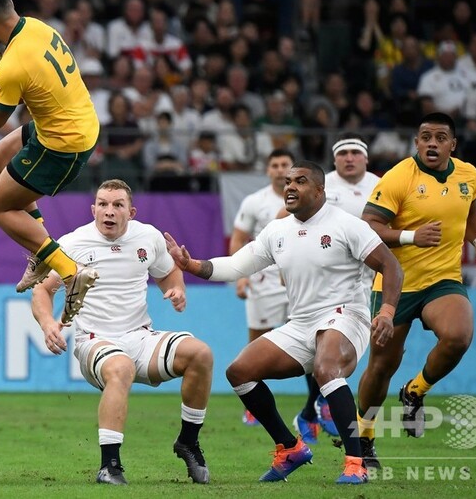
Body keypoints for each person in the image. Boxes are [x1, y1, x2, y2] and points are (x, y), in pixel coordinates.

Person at [165, 161, 404, 485]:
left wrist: (386, 311)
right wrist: (192, 264)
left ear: (319, 190)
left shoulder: (347, 225)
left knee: (326, 368)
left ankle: (355, 463)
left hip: (347, 315)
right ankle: (290, 447)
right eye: (289, 181)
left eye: (300, 181)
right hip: (302, 322)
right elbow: (236, 266)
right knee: (239, 372)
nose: (290, 186)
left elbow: (391, 266)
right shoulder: (277, 231)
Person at [31, 180, 212, 486]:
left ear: (131, 211)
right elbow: (42, 289)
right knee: (121, 367)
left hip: (140, 336)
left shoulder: (148, 236)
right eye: (103, 204)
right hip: (94, 341)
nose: (109, 211)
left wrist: (177, 290)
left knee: (201, 354)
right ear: (93, 210)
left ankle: (188, 442)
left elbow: (168, 272)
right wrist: (48, 323)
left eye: (117, 205)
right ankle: (109, 466)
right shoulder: (73, 243)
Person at [0, 0, 99, 324]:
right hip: (71, 121)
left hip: (63, 144)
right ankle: (40, 251)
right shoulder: (36, 27)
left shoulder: (12, 63)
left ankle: (70, 271)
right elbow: (22, 90)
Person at [356, 112, 476, 468]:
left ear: (452, 144)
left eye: (440, 137)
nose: (432, 143)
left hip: (443, 279)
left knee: (458, 336)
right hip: (396, 284)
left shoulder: (468, 174)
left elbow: (470, 209)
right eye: (425, 137)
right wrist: (410, 237)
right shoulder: (400, 176)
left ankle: (415, 391)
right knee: (381, 367)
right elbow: (368, 226)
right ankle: (364, 439)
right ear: (416, 142)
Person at [294, 134, 382, 443]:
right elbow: (288, 217)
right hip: (325, 276)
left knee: (350, 344)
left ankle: (311, 410)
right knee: (320, 340)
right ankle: (322, 402)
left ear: (365, 158)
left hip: (369, 275)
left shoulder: (380, 186)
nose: (349, 158)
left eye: (355, 152)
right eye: (343, 153)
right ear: (334, 159)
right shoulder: (321, 185)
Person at [228, 149, 293, 428]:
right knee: (257, 342)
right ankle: (253, 405)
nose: (279, 169)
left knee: (312, 338)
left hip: (296, 278)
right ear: (268, 170)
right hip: (263, 279)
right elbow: (239, 238)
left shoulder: (306, 199)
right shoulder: (255, 202)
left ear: (293, 168)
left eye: (284, 164)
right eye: (274, 165)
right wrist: (241, 276)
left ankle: (317, 406)